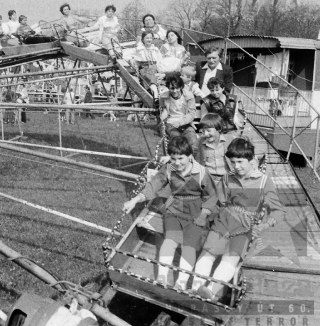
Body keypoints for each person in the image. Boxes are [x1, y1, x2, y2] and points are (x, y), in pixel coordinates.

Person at [190, 137, 286, 301]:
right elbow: (216, 199)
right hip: (224, 221)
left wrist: (264, 225)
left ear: (251, 160)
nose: (236, 167)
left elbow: (279, 211)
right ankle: (194, 290)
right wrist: (203, 215)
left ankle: (211, 294)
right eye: (233, 162)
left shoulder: (264, 182)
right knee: (207, 254)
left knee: (230, 259)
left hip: (245, 227)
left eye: (240, 162)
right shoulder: (228, 178)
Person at [123, 136, 218, 290]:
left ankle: (181, 281)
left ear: (190, 157)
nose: (177, 163)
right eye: (173, 159)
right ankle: (162, 277)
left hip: (195, 212)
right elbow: (153, 186)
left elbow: (211, 196)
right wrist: (134, 201)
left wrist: (203, 216)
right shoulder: (168, 169)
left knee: (189, 247)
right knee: (170, 242)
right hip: (174, 209)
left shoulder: (201, 172)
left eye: (181, 158)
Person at [159, 73, 198, 156]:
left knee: (194, 144)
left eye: (177, 88)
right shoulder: (164, 97)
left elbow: (191, 114)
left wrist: (180, 122)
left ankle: (192, 164)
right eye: (171, 88)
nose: (174, 91)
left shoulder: (189, 96)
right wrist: (163, 114)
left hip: (186, 123)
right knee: (178, 143)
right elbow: (164, 109)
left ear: (181, 87)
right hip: (171, 123)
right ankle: (177, 165)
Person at [133, 31, 163, 102]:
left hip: (154, 67)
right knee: (150, 78)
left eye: (150, 38)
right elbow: (135, 60)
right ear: (143, 39)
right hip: (145, 68)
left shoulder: (155, 49)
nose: (149, 40)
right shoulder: (140, 49)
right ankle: (155, 97)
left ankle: (158, 95)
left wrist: (160, 70)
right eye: (147, 38)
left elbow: (159, 60)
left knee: (158, 78)